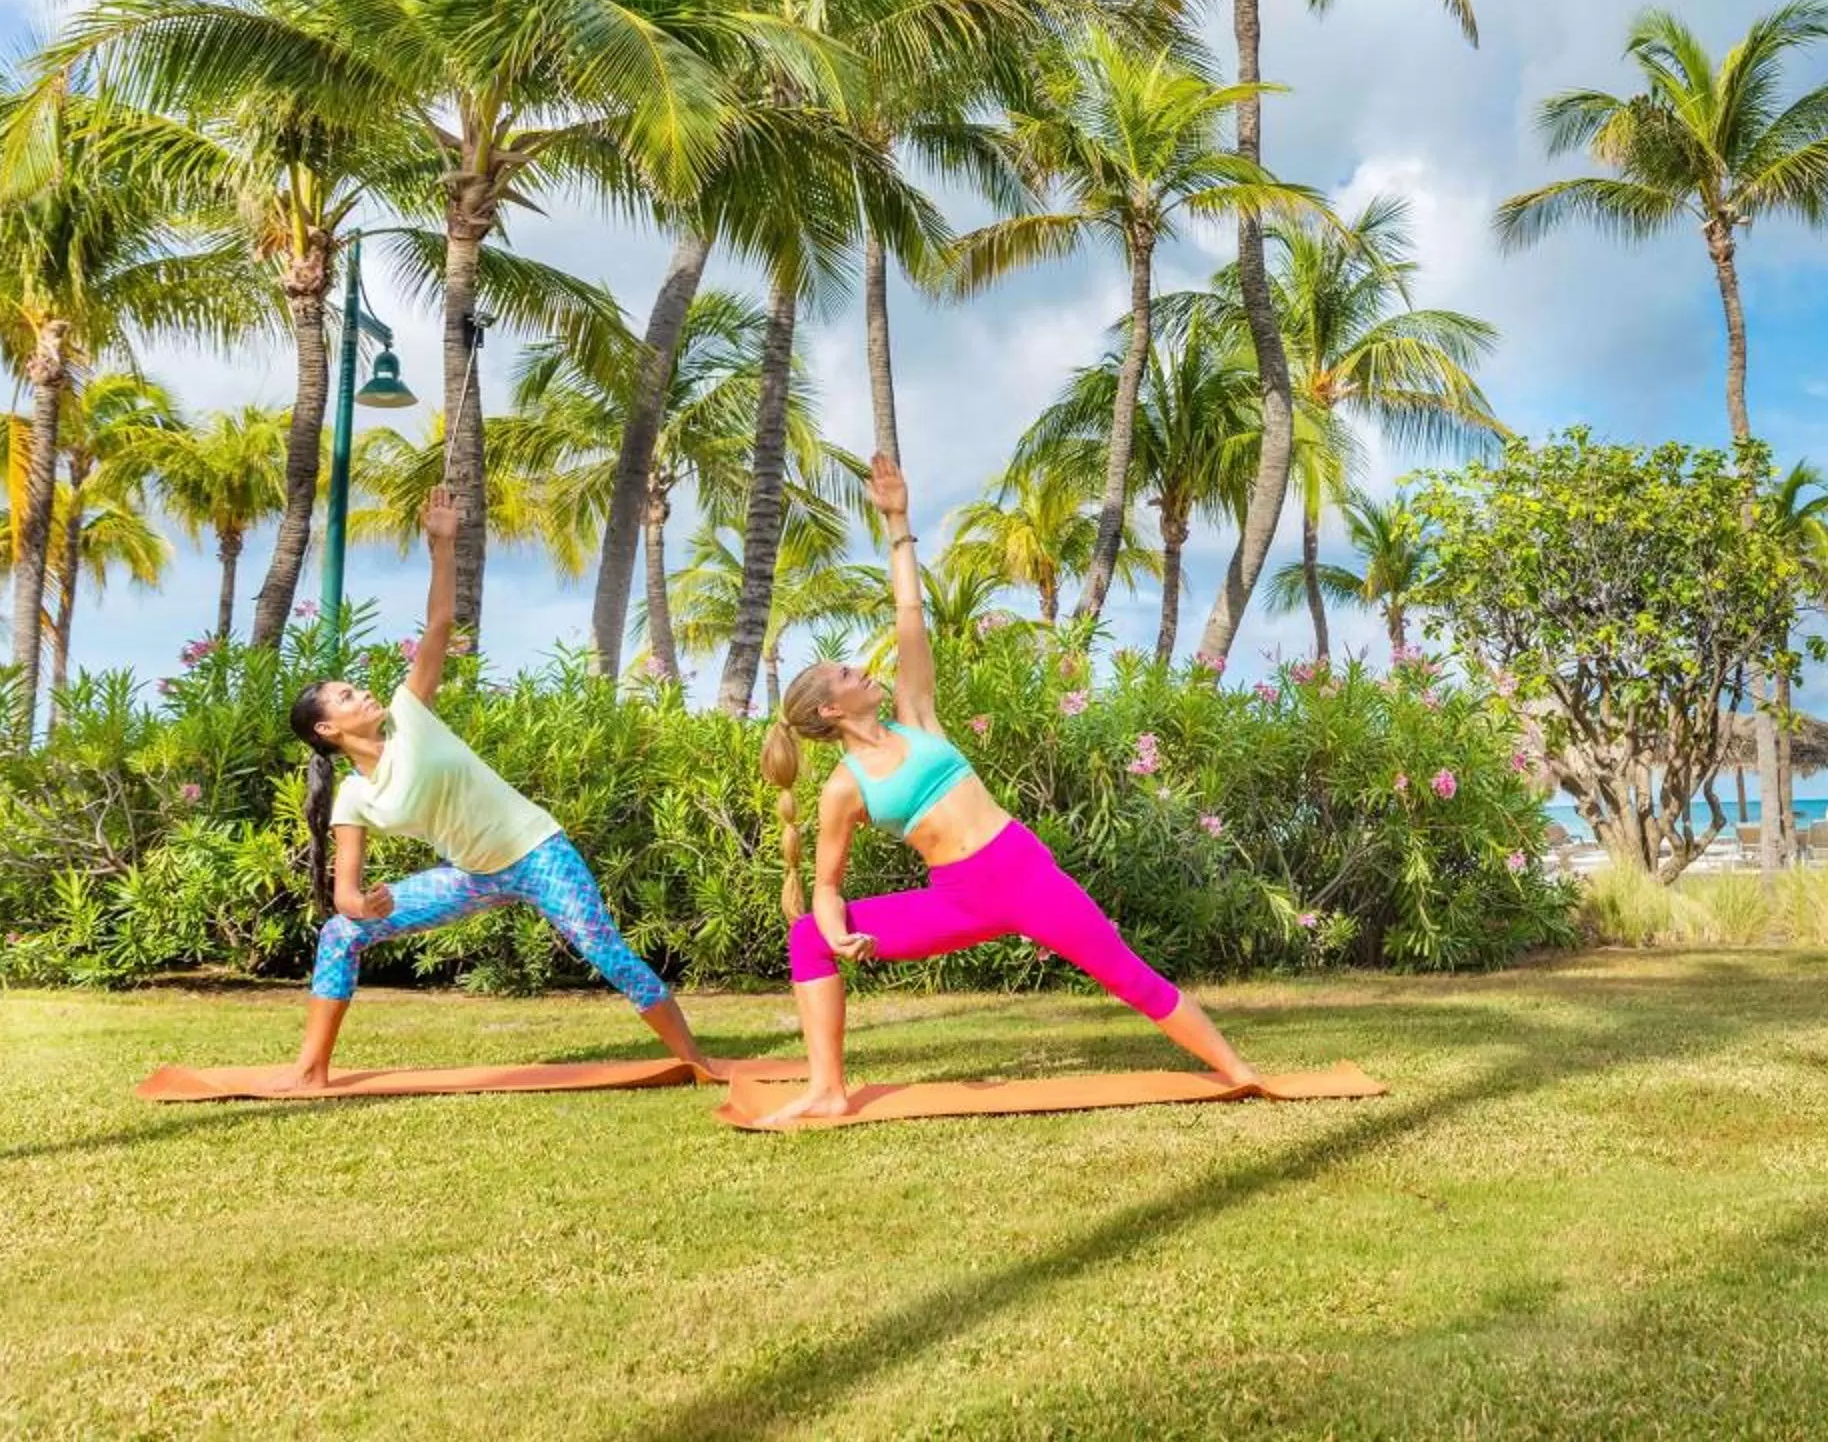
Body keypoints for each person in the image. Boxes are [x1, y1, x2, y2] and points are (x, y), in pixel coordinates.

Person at [759, 455, 1256, 1125]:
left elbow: (909, 612)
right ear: (829, 710)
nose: (863, 670)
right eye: (848, 673)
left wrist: (898, 521)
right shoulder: (844, 789)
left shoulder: (916, 717)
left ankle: (1239, 1072)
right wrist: (835, 933)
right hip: (958, 899)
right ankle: (827, 1088)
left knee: (1126, 974)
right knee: (806, 939)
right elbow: (826, 885)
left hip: (1022, 872)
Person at [277, 489, 713, 1090]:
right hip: (471, 876)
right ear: (328, 730)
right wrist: (364, 908)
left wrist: (444, 544)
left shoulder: (410, 715)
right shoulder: (353, 796)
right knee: (339, 933)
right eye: (346, 696)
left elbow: (439, 625)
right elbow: (346, 896)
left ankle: (697, 1061)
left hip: (537, 852)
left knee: (603, 949)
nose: (363, 692)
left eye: (356, 687)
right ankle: (310, 1071)